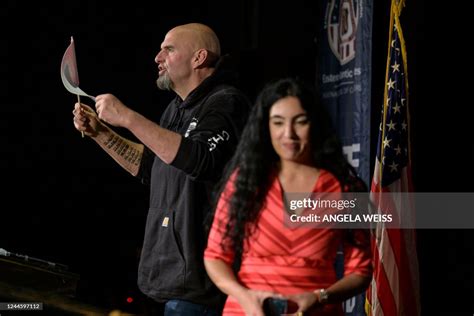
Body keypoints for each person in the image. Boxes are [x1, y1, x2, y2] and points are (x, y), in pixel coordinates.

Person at [72, 23, 250, 315]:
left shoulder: (227, 102)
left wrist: (128, 118)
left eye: (168, 49)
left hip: (204, 288)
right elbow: (151, 167)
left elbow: (200, 159)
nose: (157, 57)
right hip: (171, 282)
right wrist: (101, 133)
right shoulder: (174, 110)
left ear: (199, 58)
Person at [204, 77, 372, 316]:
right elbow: (215, 257)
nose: (288, 134)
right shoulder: (246, 181)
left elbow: (361, 270)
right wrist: (246, 298)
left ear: (315, 125)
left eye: (300, 122)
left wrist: (320, 297)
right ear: (266, 127)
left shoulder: (347, 189)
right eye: (278, 123)